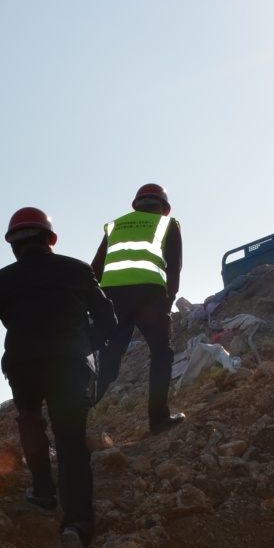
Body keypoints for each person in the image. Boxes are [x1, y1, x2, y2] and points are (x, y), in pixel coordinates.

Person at [0, 207, 116, 548]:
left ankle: (44, 493)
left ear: (14, 246)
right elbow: (108, 320)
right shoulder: (78, 270)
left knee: (31, 420)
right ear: (51, 239)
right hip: (69, 364)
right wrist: (82, 346)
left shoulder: (2, 280)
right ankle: (76, 525)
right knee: (70, 442)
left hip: (23, 365)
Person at [92, 183, 184, 434]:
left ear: (136, 205)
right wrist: (167, 306)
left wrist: (96, 304)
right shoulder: (168, 224)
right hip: (149, 296)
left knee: (109, 358)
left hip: (113, 296)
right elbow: (173, 270)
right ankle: (158, 420)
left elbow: (95, 269)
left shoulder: (115, 226)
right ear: (164, 208)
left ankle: (77, 415)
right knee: (161, 353)